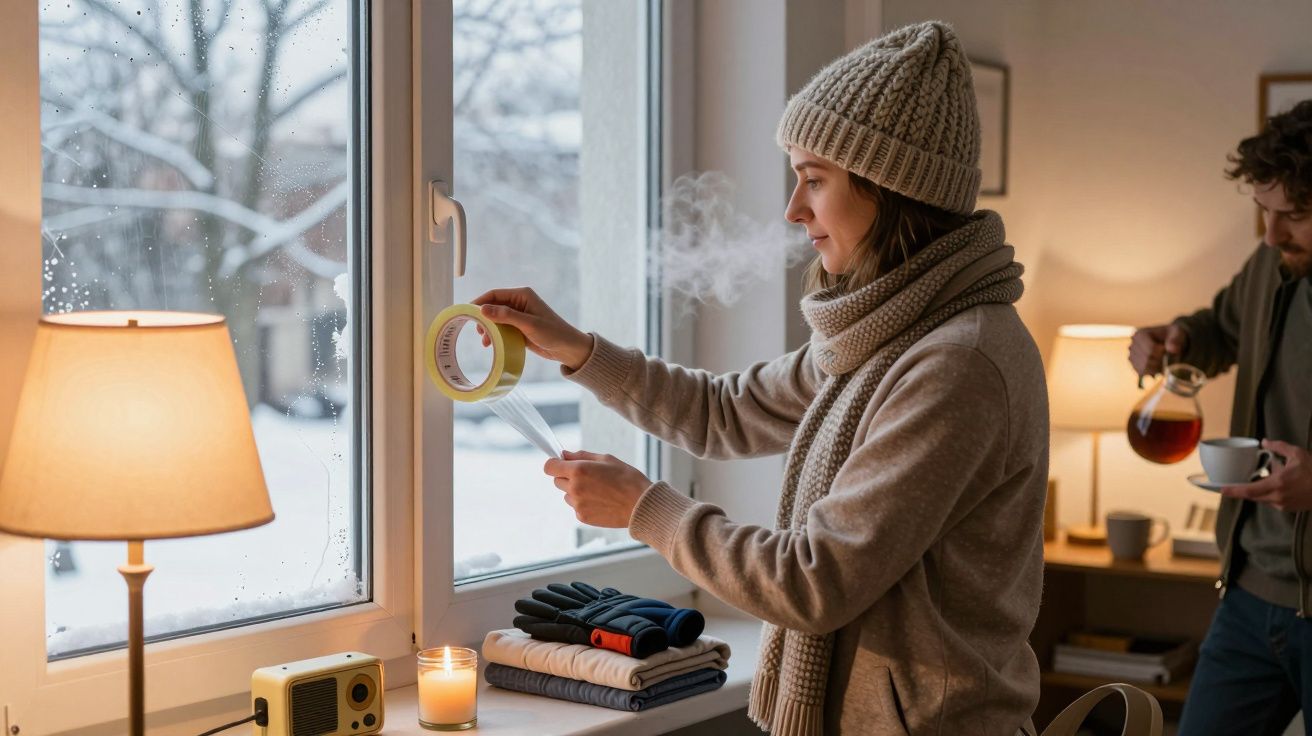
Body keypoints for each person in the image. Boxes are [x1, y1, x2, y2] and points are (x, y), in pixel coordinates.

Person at [477, 21, 1048, 736]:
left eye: (815, 179)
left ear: (890, 188)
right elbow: (725, 412)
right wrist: (580, 350)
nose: (793, 208)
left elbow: (815, 581)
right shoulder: (886, 333)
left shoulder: (956, 363)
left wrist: (644, 508)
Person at [1131, 99, 1312, 735]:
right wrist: (1179, 338)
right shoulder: (1271, 263)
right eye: (1264, 210)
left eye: (1294, 216)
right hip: (1248, 596)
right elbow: (1224, 329)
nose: (1271, 234)